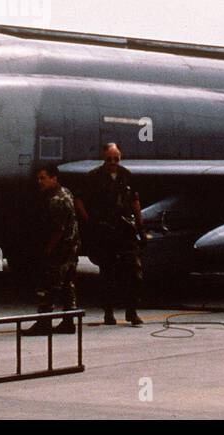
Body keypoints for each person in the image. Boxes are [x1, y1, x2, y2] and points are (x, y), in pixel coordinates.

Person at [78, 143, 144, 326]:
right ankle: (109, 313)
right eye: (109, 159)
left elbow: (135, 201)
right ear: (104, 158)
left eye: (116, 159)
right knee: (108, 275)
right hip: (105, 232)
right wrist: (90, 221)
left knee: (134, 273)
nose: (113, 162)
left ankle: (132, 312)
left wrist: (140, 225)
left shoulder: (127, 176)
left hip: (125, 231)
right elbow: (79, 199)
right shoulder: (93, 177)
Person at [25, 163, 80, 335]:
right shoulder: (67, 192)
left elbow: (58, 229)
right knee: (68, 284)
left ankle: (44, 322)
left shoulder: (56, 200)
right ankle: (69, 321)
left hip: (60, 250)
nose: (40, 182)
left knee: (47, 285)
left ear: (53, 178)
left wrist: (48, 249)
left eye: (43, 178)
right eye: (38, 178)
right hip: (72, 247)